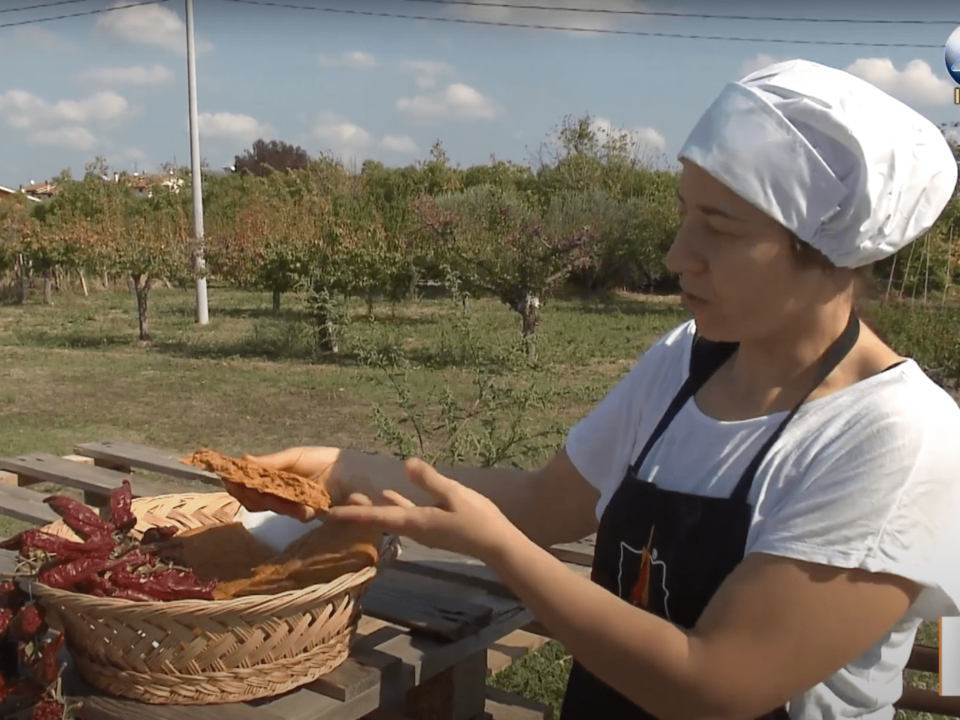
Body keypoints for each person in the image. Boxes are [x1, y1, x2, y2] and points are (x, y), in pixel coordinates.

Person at [231, 59, 960, 720]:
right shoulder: (685, 362)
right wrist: (347, 468)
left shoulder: (898, 439)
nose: (679, 255)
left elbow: (715, 685)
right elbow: (543, 503)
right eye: (684, 212)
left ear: (830, 252)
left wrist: (500, 550)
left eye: (720, 227)